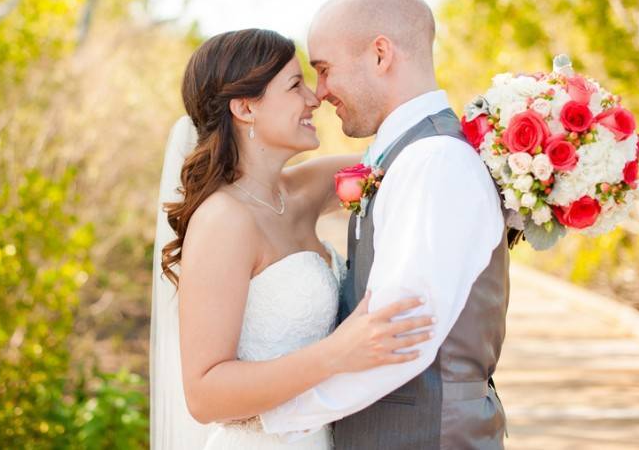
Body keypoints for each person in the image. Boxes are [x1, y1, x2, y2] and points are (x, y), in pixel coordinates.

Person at [150, 28, 435, 449]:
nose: (314, 98)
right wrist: (338, 352)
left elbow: (418, 158)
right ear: (246, 107)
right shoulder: (223, 220)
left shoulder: (306, 188)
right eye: (295, 84)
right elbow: (204, 394)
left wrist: (526, 136)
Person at [259, 0, 509, 449]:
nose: (321, 92)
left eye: (326, 69)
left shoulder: (432, 161)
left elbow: (398, 338)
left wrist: (273, 416)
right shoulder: (405, 155)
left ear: (380, 54)